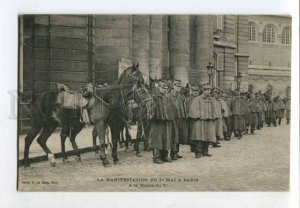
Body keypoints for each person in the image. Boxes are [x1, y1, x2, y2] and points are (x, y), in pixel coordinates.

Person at [188, 83, 220, 158]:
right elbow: (193, 110)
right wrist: (199, 115)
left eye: (209, 90)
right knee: (199, 137)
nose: (207, 91)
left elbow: (215, 109)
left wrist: (214, 116)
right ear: (203, 90)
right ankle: (198, 152)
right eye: (206, 90)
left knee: (208, 136)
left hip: (209, 121)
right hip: (200, 121)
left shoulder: (212, 100)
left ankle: (205, 151)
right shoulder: (197, 99)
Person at [148, 80, 177, 164]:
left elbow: (172, 108)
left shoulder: (167, 97)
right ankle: (156, 157)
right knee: (157, 139)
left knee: (166, 138)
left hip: (166, 121)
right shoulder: (154, 97)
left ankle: (164, 156)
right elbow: (150, 109)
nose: (165, 89)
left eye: (166, 88)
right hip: (157, 121)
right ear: (158, 87)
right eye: (163, 87)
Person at [167, 80, 187, 160]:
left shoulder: (181, 95)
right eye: (177, 86)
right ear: (173, 86)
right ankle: (173, 153)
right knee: (173, 136)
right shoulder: (169, 95)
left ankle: (176, 152)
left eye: (180, 86)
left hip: (180, 118)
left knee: (178, 135)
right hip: (172, 118)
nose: (179, 88)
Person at [186, 85, 200, 152]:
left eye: (197, 90)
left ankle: (198, 146)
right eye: (194, 90)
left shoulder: (200, 98)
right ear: (192, 91)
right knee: (192, 133)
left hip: (199, 118)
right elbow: (187, 108)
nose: (196, 92)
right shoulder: (189, 99)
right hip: (191, 118)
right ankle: (193, 147)